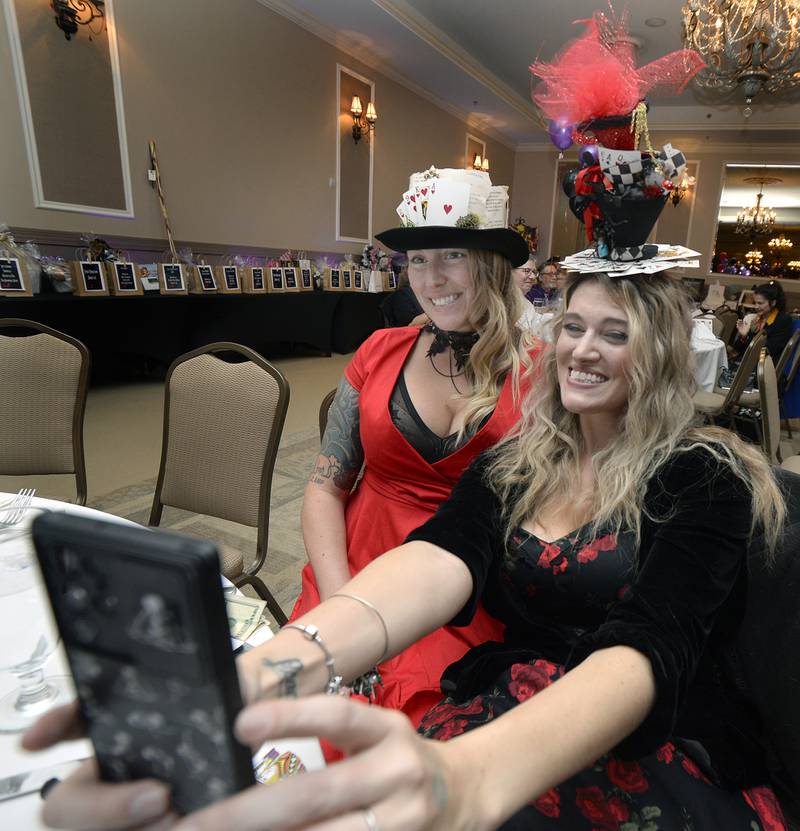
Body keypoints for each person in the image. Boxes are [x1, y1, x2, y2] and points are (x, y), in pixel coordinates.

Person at [29, 270, 788, 831]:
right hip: (518, 692)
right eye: (573, 325)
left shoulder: (701, 474)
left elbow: (649, 650)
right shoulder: (522, 459)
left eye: (613, 333)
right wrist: (268, 670)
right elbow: (435, 560)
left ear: (654, 353)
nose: (582, 350)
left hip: (646, 737)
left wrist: (472, 776)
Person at [294, 166, 532, 725]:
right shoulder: (379, 350)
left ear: (491, 264)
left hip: (467, 588)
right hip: (356, 565)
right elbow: (324, 489)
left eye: (451, 255)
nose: (431, 278)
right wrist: (340, 604)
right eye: (418, 260)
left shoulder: (540, 373)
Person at [734, 280, 793, 363]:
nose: (756, 307)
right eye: (755, 303)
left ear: (773, 302)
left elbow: (769, 351)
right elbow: (737, 349)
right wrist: (744, 336)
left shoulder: (782, 320)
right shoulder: (757, 319)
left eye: (760, 303)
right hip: (748, 362)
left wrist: (749, 338)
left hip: (765, 367)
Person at [511, 256, 540, 332]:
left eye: (534, 272)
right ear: (510, 272)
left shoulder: (527, 304)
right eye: (527, 271)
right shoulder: (500, 302)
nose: (533, 277)